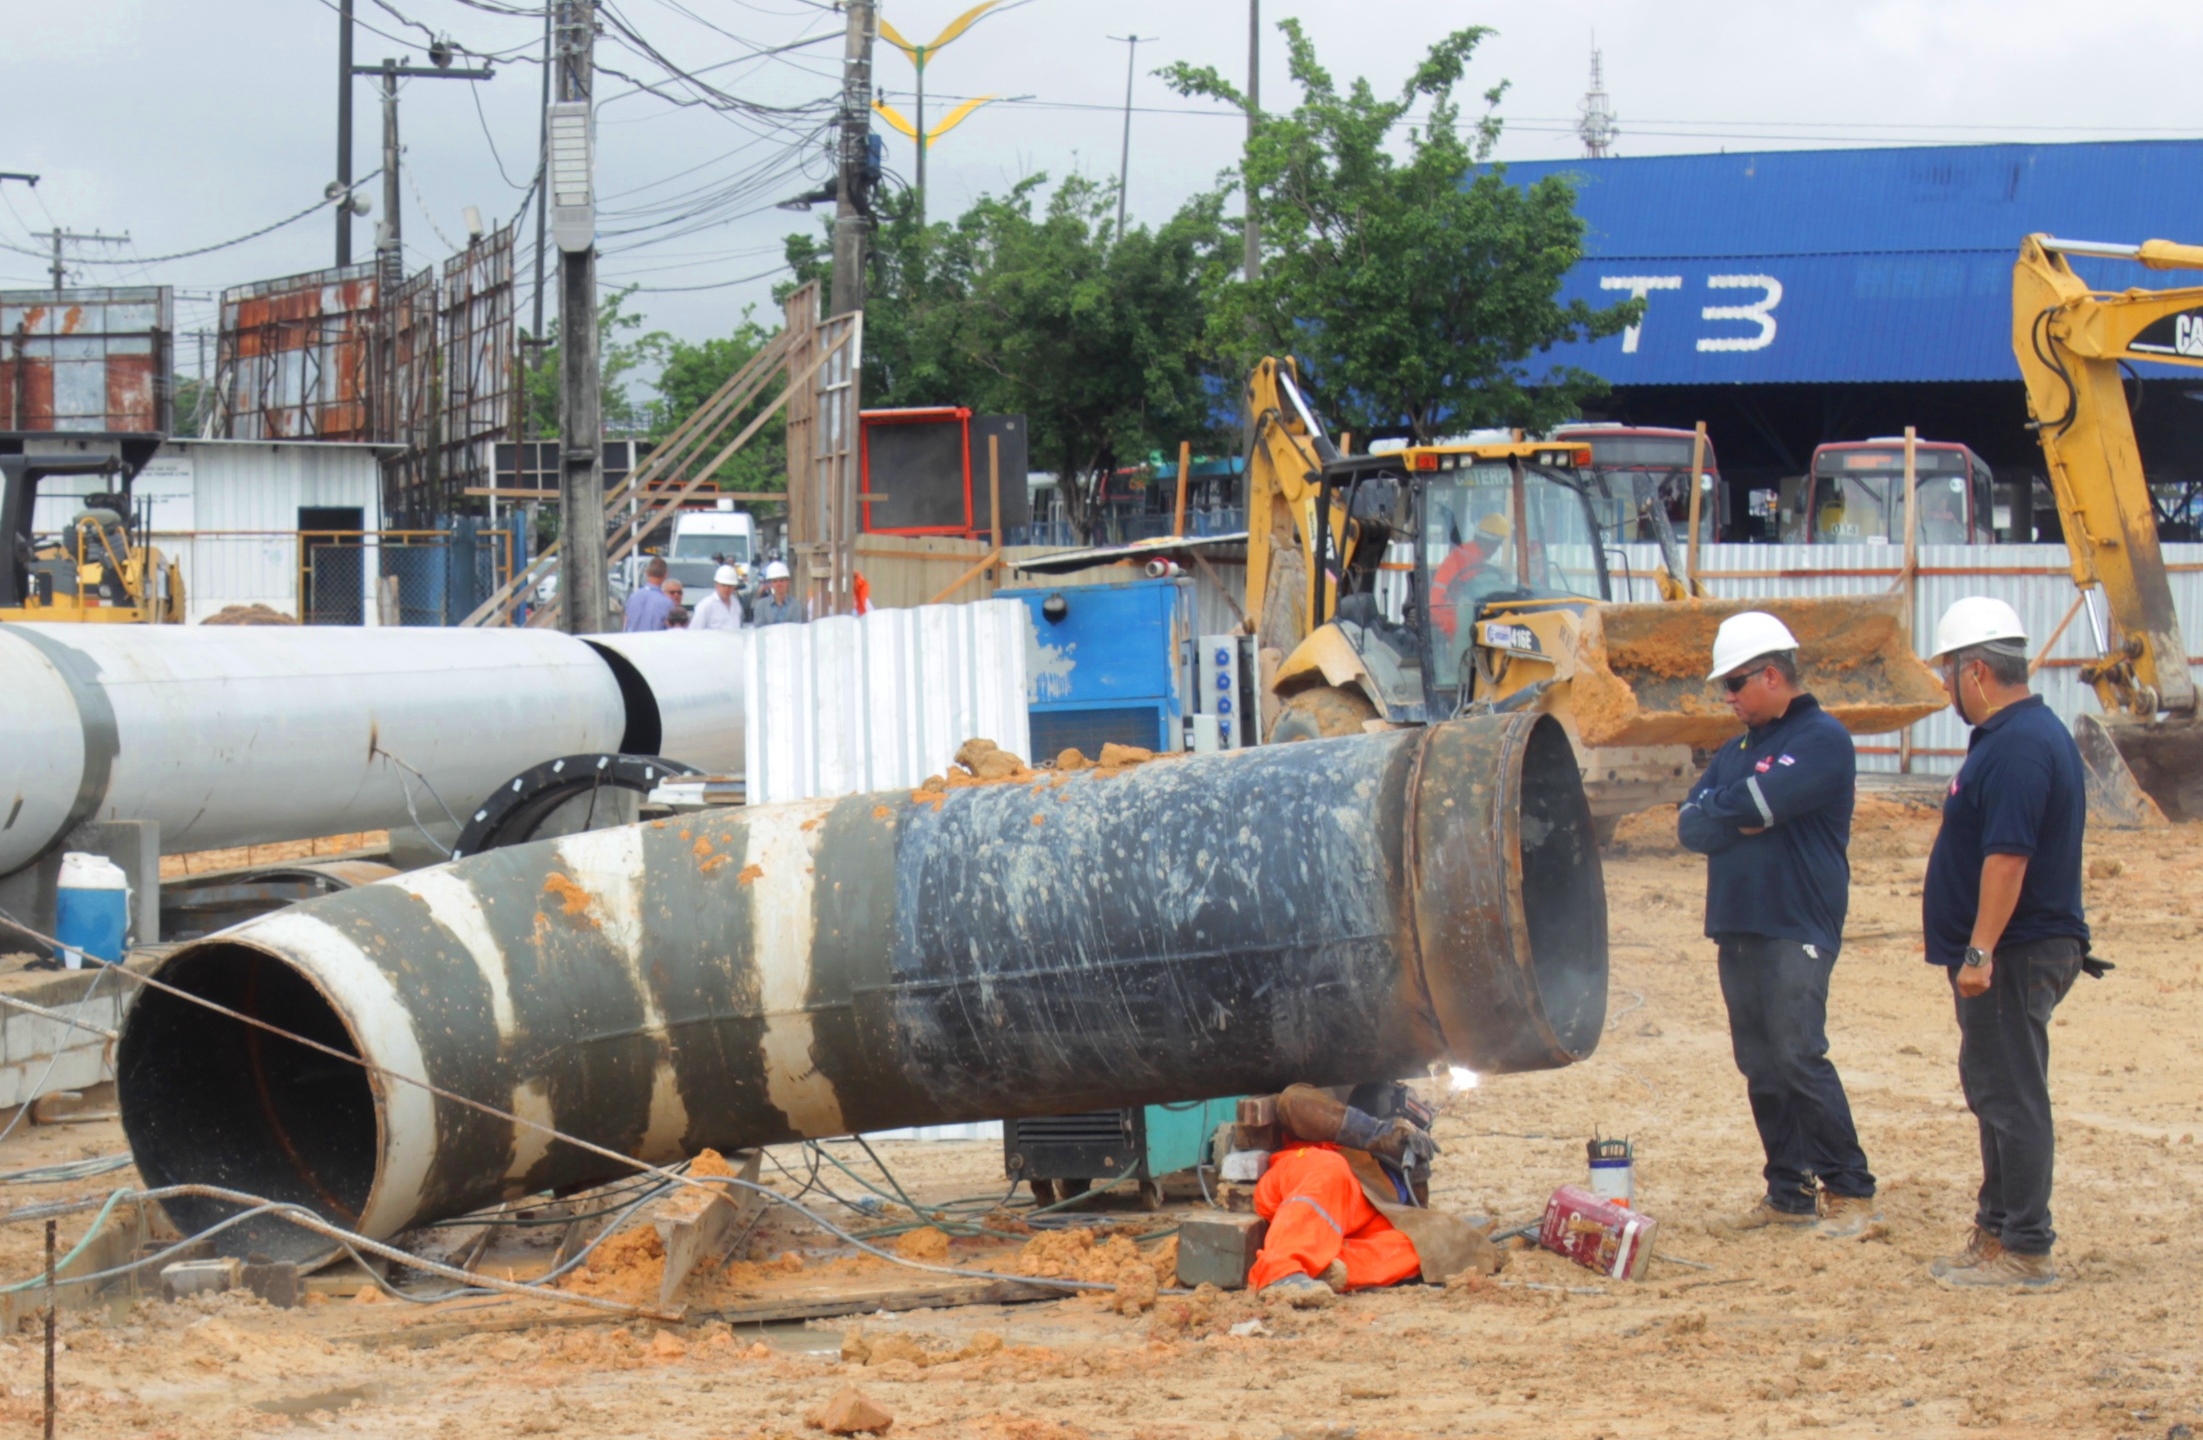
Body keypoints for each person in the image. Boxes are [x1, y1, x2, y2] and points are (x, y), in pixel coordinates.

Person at [1679, 611, 1879, 1238]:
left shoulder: (1822, 739)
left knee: (1798, 1053)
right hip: (1739, 925)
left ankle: (1850, 1191)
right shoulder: (1738, 750)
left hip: (1797, 923)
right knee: (1760, 1063)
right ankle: (1788, 1190)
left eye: (1735, 684)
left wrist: (1733, 809)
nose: (1728, 698)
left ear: (1772, 674)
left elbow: (1758, 803)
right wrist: (1734, 811)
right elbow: (1690, 824)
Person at [1920, 597, 2096, 1292]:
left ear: (1975, 671)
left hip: (2014, 950)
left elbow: (2008, 858)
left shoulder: (2021, 744)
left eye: (1946, 674)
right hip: (2009, 949)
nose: (1942, 689)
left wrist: (1978, 951)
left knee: (2012, 1094)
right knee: (1993, 1089)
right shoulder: (2008, 738)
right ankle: (1995, 1233)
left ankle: (2025, 1247)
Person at [1250, 1084, 1498, 1308]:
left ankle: (1330, 1269)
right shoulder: (1334, 1141)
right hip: (1310, 1181)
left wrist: (1416, 1174)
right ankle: (1281, 1272)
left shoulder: (1398, 1176)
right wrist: (1376, 1134)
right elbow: (1294, 1100)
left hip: (1369, 1211)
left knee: (1441, 1239)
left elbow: (1419, 1215)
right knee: (1329, 1169)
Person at [1430, 511, 1512, 645]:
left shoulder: (1474, 556)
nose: (1497, 549)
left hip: (1455, 610)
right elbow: (1474, 593)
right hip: (1446, 615)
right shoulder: (1468, 558)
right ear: (1490, 542)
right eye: (1497, 545)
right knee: (1472, 635)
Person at [690, 564, 746, 632]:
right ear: (716, 585)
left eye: (730, 586)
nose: (727, 589)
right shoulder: (705, 605)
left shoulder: (736, 604)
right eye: (723, 585)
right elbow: (694, 632)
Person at [623, 556, 672, 632]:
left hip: (632, 641)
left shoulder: (633, 597)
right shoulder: (666, 603)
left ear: (646, 572)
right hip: (654, 642)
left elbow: (626, 623)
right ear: (665, 575)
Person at [750, 559, 805, 626]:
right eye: (775, 581)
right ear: (770, 584)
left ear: (787, 582)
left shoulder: (795, 605)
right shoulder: (761, 605)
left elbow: (796, 629)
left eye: (782, 580)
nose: (778, 584)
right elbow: (759, 629)